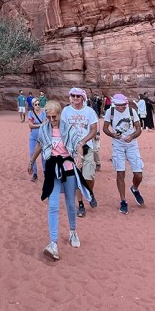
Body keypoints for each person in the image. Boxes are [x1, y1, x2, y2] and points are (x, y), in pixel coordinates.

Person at [29, 101, 91, 260]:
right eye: (49, 117)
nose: (51, 120)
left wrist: (79, 156)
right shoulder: (44, 128)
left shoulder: (68, 128)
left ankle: (73, 232)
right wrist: (31, 161)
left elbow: (77, 144)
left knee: (70, 203)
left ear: (59, 114)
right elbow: (39, 146)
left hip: (68, 169)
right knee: (53, 205)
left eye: (54, 117)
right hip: (52, 170)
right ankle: (53, 243)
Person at [103, 93, 144, 214]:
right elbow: (105, 128)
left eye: (122, 105)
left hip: (132, 145)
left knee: (138, 174)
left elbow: (138, 128)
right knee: (120, 172)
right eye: (118, 105)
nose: (120, 107)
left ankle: (135, 188)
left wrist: (131, 136)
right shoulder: (110, 112)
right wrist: (112, 135)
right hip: (118, 145)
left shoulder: (132, 111)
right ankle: (123, 201)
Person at [60, 87, 99, 217]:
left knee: (89, 176)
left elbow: (93, 130)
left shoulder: (89, 111)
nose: (75, 98)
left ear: (83, 97)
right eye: (73, 96)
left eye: (78, 96)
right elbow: (63, 129)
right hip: (72, 150)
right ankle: (81, 203)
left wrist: (82, 142)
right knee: (77, 178)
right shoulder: (66, 111)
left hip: (86, 148)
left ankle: (89, 192)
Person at [27, 97, 45, 181]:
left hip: (43, 137)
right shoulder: (30, 113)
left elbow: (45, 123)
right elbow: (30, 125)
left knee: (44, 156)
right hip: (33, 137)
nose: (38, 106)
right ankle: (35, 173)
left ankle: (45, 171)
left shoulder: (43, 112)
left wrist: (36, 125)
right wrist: (40, 125)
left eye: (39, 104)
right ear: (33, 105)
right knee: (32, 154)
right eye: (36, 104)